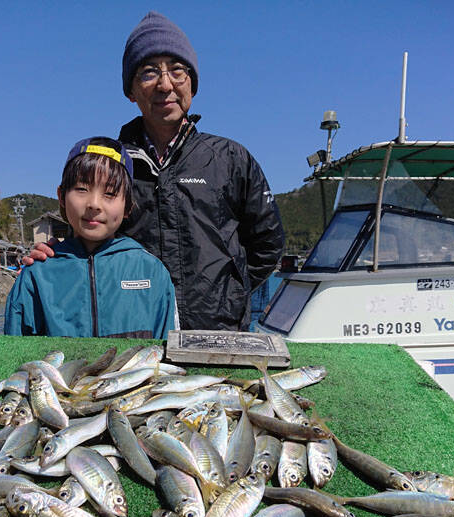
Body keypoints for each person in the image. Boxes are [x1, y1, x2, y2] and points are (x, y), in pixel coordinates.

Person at [24, 11, 284, 331]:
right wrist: (53, 253)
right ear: (131, 91)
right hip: (138, 336)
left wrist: (231, 294)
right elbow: (94, 237)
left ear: (193, 83)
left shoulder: (231, 159)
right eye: (149, 72)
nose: (165, 84)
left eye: (177, 70)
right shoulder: (115, 168)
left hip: (220, 333)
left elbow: (268, 245)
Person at [4, 137, 178, 338]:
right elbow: (17, 357)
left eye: (110, 193)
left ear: (128, 206)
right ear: (61, 196)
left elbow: (168, 356)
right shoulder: (37, 275)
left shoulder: (152, 272)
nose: (94, 204)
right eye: (81, 189)